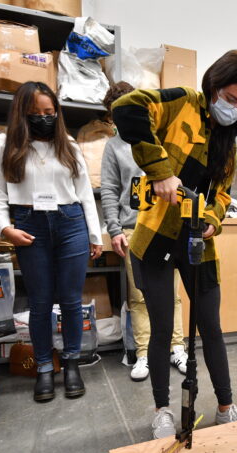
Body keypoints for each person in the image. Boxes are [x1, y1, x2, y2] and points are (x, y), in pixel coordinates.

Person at [112, 50, 237, 438]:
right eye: (231, 99)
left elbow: (223, 196)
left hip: (197, 243)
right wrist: (160, 171)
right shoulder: (181, 103)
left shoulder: (229, 144)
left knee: (211, 326)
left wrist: (211, 221)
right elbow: (128, 107)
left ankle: (226, 407)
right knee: (162, 329)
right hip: (155, 238)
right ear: (213, 87)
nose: (236, 109)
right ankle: (162, 410)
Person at [0, 81, 103, 402]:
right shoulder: (3, 144)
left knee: (70, 300)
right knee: (39, 301)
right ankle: (44, 369)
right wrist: (5, 229)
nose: (43, 118)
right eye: (35, 112)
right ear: (21, 113)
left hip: (70, 224)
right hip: (28, 224)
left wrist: (95, 235)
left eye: (49, 112)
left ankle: (72, 363)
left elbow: (85, 197)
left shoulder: (69, 146)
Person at [100, 81, 188, 381]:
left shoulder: (161, 139)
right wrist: (114, 229)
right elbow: (110, 190)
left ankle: (177, 347)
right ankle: (144, 353)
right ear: (111, 117)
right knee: (139, 296)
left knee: (173, 294)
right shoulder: (113, 147)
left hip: (166, 226)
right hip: (132, 227)